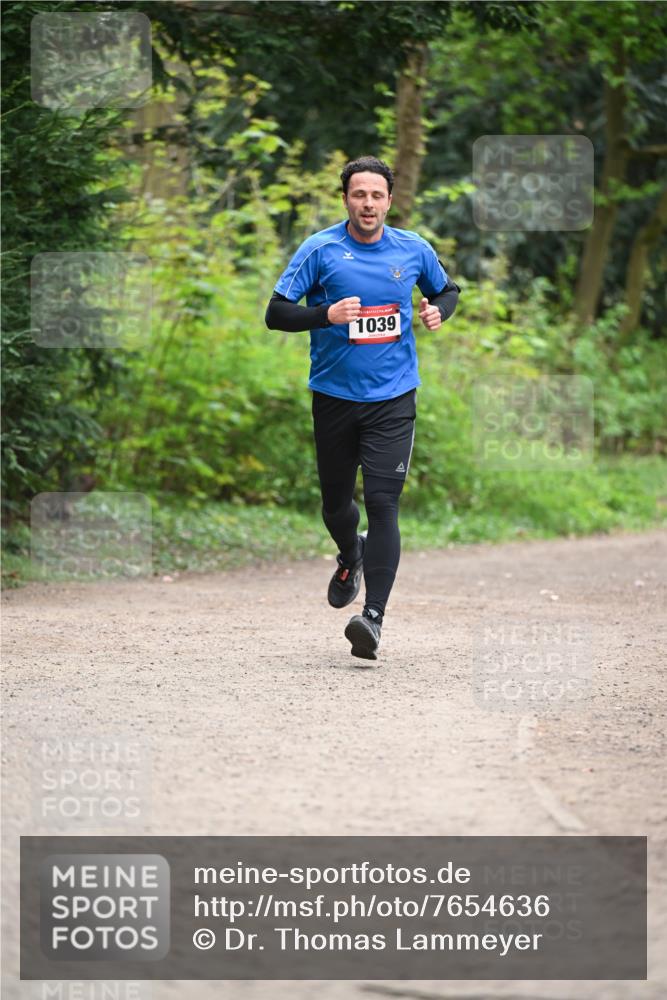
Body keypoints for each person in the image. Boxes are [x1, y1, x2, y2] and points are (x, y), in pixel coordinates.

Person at [265, 155, 460, 662]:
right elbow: (276, 313)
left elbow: (447, 288)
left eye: (376, 195)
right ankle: (350, 553)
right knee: (335, 504)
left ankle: (372, 618)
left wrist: (439, 309)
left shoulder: (412, 249)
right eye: (359, 194)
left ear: (389, 201)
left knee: (384, 502)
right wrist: (323, 314)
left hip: (393, 398)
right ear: (346, 199)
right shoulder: (321, 249)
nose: (368, 203)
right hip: (333, 397)